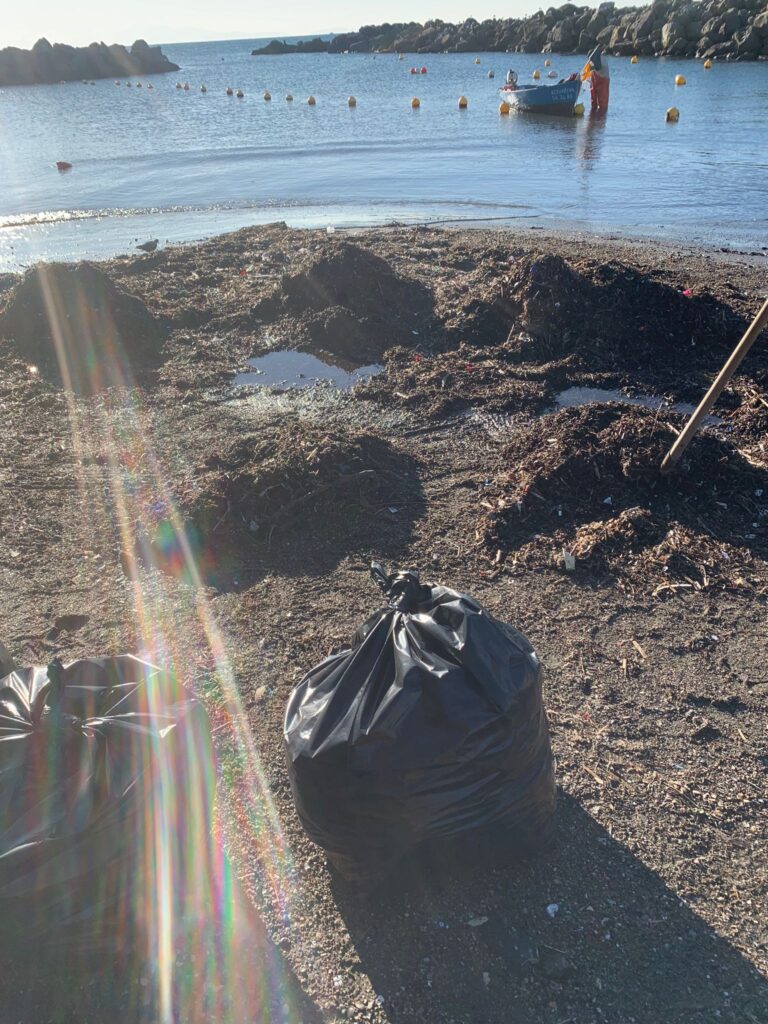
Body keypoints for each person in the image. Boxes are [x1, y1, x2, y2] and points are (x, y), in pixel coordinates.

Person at [582, 46, 609, 113]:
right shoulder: (593, 60)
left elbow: (598, 67)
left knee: (602, 104)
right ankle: (593, 116)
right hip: (595, 78)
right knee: (593, 101)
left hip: (604, 80)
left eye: (590, 59)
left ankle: (600, 118)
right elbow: (588, 71)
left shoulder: (602, 59)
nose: (590, 61)